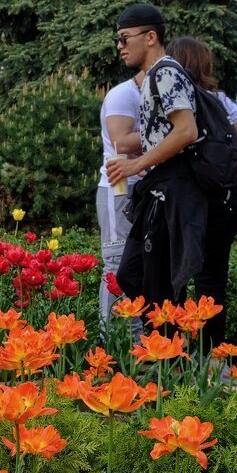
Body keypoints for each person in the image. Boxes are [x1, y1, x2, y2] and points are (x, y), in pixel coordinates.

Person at [166, 36, 237, 350]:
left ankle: (169, 355)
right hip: (218, 202)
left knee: (174, 280)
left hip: (180, 202)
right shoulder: (219, 101)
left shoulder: (167, 99)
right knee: (211, 284)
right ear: (205, 65)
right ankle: (209, 357)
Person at [107, 4, 207, 313]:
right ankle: (167, 352)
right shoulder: (156, 75)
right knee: (136, 276)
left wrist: (136, 163)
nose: (120, 47)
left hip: (173, 189)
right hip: (161, 186)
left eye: (125, 38)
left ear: (151, 37)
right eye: (118, 40)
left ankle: (167, 356)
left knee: (156, 287)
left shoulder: (164, 71)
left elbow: (186, 130)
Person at [97, 71, 144, 336]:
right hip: (119, 186)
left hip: (146, 185)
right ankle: (111, 341)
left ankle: (136, 338)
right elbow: (120, 143)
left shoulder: (154, 93)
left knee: (141, 264)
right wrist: (172, 129)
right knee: (116, 263)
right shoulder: (124, 94)